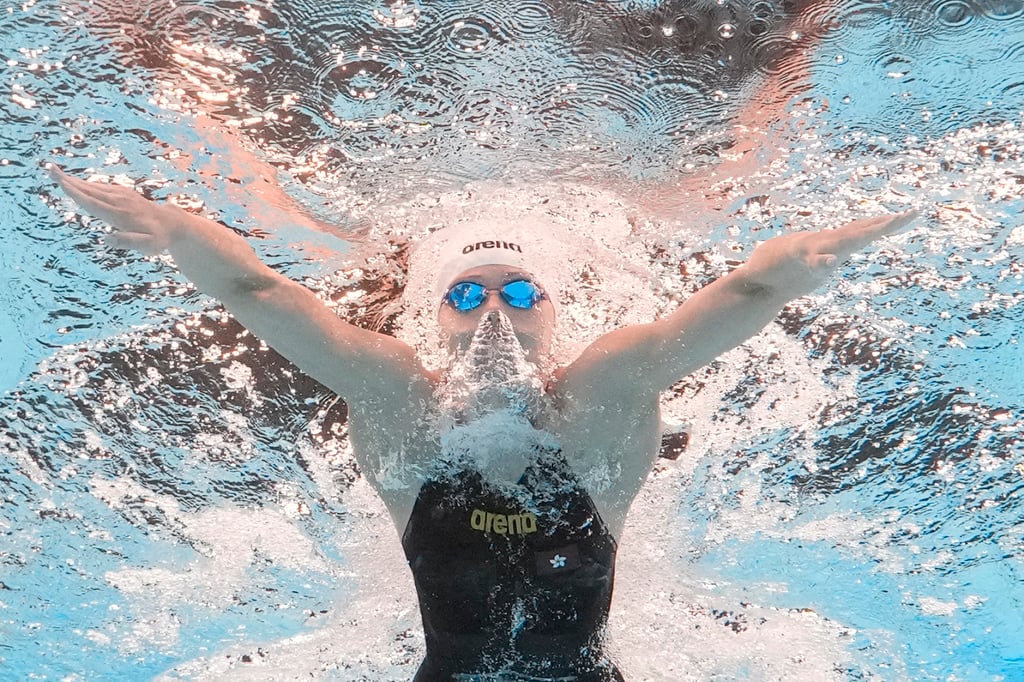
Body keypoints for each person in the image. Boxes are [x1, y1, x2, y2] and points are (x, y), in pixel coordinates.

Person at [49, 162, 917, 680]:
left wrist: (800, 263)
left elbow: (742, 294)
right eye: (466, 293)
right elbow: (261, 292)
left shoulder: (603, 400)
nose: (493, 309)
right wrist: (173, 229)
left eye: (518, 290)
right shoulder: (399, 404)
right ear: (438, 315)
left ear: (553, 309)